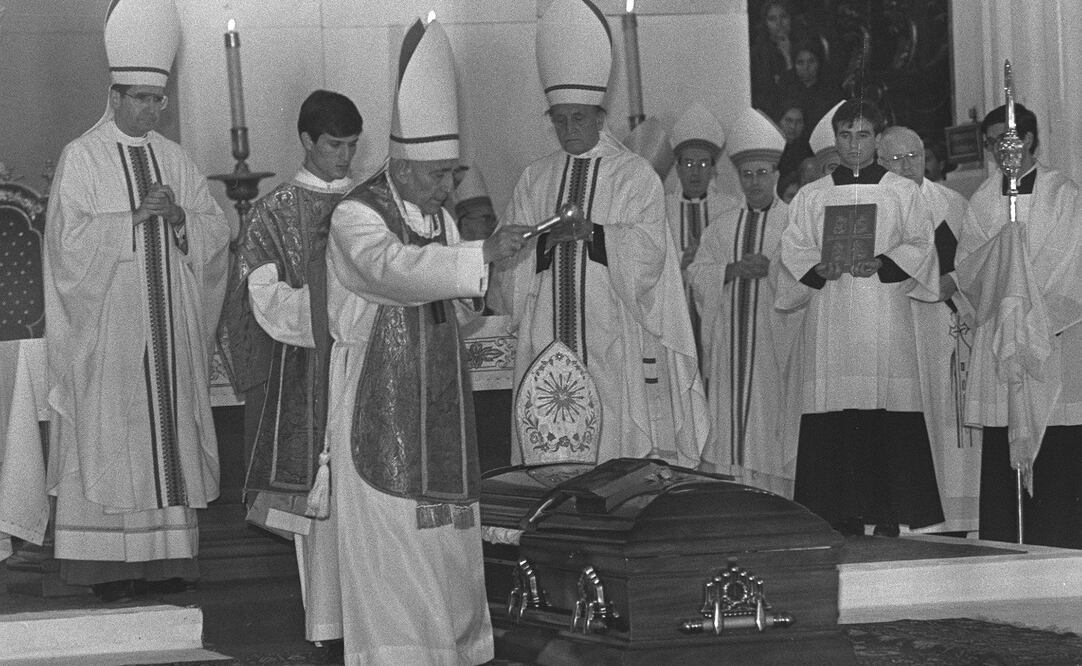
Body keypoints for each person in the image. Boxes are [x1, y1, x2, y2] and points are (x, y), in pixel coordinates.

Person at [321, 19, 530, 663]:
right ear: (405, 165)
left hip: (441, 408)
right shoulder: (356, 214)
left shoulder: (436, 215)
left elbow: (454, 311)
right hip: (378, 413)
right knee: (394, 555)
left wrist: (481, 272)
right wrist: (475, 256)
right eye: (440, 174)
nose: (449, 188)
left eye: (453, 173)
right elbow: (391, 273)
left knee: (447, 550)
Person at [43, 0, 232, 602]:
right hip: (110, 331)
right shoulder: (83, 155)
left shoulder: (175, 158)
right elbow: (66, 246)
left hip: (169, 329)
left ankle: (169, 558)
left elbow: (217, 231)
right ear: (116, 94)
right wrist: (131, 220)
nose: (156, 110)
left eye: (161, 100)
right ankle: (105, 565)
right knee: (112, 433)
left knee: (165, 429)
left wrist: (179, 220)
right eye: (144, 100)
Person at [490, 0, 708, 467]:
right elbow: (511, 258)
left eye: (579, 118)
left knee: (611, 452)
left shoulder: (634, 176)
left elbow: (650, 254)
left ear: (600, 116)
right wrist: (541, 243)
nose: (568, 129)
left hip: (613, 330)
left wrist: (596, 234)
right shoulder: (535, 177)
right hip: (546, 332)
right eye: (559, 119)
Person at [219, 89, 362, 643]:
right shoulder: (273, 211)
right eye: (334, 145)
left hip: (365, 370)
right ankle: (326, 622)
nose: (344, 158)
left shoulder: (370, 203)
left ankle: (371, 620)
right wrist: (337, 312)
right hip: (304, 375)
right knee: (317, 509)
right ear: (306, 141)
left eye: (351, 146)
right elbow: (262, 296)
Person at [777, 99, 943, 536]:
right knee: (836, 411)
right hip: (831, 316)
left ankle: (888, 513)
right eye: (846, 135)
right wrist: (818, 268)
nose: (854, 144)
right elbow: (793, 247)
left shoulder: (901, 191)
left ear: (876, 138)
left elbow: (921, 245)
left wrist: (884, 263)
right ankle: (840, 512)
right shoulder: (813, 195)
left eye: (863, 135)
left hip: (882, 316)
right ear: (836, 138)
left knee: (884, 405)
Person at [950, 104, 1082, 548]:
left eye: (1004, 140)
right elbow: (968, 265)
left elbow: (1070, 258)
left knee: (1057, 440)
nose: (996, 150)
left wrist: (1027, 305)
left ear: (1027, 139)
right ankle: (1005, 544)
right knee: (1003, 432)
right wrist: (1003, 275)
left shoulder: (1062, 193)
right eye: (990, 143)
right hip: (999, 338)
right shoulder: (985, 199)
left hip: (1048, 337)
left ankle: (1060, 545)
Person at [686, 108, 802, 497]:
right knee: (731, 422)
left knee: (771, 417)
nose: (754, 182)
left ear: (777, 176)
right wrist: (732, 270)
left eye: (762, 174)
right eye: (747, 175)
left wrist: (772, 270)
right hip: (731, 348)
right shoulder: (721, 225)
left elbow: (804, 276)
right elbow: (697, 274)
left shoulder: (793, 223)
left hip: (775, 345)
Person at [878, 125, 981, 534]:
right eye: (896, 159)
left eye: (914, 157)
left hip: (946, 326)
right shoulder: (875, 207)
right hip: (900, 327)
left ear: (926, 157)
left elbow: (975, 257)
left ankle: (958, 514)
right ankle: (910, 516)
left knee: (950, 419)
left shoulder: (952, 203)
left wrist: (953, 281)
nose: (906, 167)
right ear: (880, 163)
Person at [666, 101, 740, 264]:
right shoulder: (664, 208)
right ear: (678, 169)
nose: (696, 171)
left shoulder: (729, 208)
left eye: (704, 164)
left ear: (713, 170)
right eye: (689, 163)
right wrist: (681, 262)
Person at [777, 40, 840, 133]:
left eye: (811, 61)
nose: (806, 67)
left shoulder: (831, 90)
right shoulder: (785, 87)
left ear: (819, 63)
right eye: (800, 62)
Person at [750, 0, 794, 118]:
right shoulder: (757, 54)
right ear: (765, 23)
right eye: (772, 19)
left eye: (783, 17)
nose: (779, 23)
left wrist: (788, 58)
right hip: (767, 115)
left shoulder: (803, 47)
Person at [775, 103, 813, 191]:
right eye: (788, 121)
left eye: (799, 122)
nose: (793, 127)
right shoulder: (770, 150)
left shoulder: (808, 151)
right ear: (779, 122)